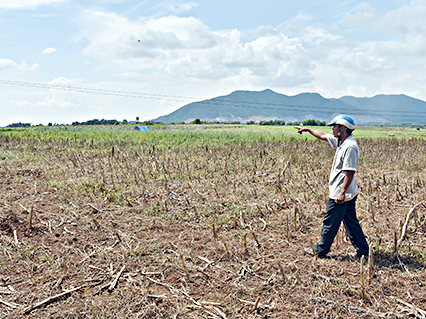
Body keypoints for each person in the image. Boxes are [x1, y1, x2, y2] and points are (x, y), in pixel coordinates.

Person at [294, 114, 369, 258]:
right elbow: (322, 135)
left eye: (335, 126)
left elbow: (350, 172)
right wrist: (308, 130)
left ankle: (320, 251)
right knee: (351, 222)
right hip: (347, 191)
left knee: (330, 222)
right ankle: (363, 251)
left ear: (343, 128)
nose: (332, 129)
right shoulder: (341, 142)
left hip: (342, 192)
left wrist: (341, 193)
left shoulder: (350, 147)